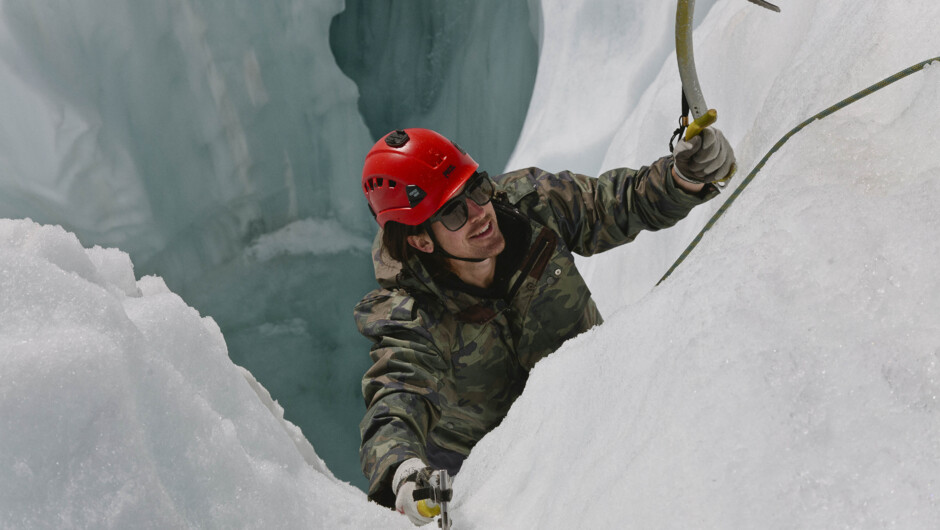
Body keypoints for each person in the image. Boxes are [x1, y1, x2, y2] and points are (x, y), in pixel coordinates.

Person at [354, 127, 734, 524]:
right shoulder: (411, 314)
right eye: (453, 211)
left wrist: (684, 177)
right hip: (486, 477)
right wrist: (403, 471)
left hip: (596, 410)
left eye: (476, 188)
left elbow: (619, 203)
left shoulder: (533, 206)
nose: (480, 212)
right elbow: (396, 397)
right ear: (421, 242)